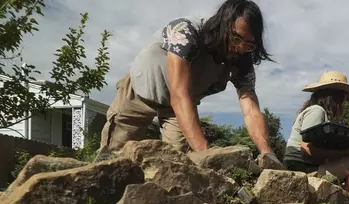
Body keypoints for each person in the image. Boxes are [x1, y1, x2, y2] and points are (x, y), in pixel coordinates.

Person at [97, 0, 281, 166]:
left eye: (249, 44)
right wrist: (208, 156)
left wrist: (267, 153)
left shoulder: (242, 60)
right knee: (114, 158)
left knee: (178, 164)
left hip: (176, 109)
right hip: (140, 92)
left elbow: (250, 109)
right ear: (222, 26)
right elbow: (180, 95)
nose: (240, 48)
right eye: (236, 38)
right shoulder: (185, 31)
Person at [283, 71, 349, 191]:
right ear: (334, 98)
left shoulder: (318, 114)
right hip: (303, 168)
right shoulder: (317, 111)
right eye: (342, 100)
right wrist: (347, 152)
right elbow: (307, 149)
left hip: (310, 166)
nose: (343, 105)